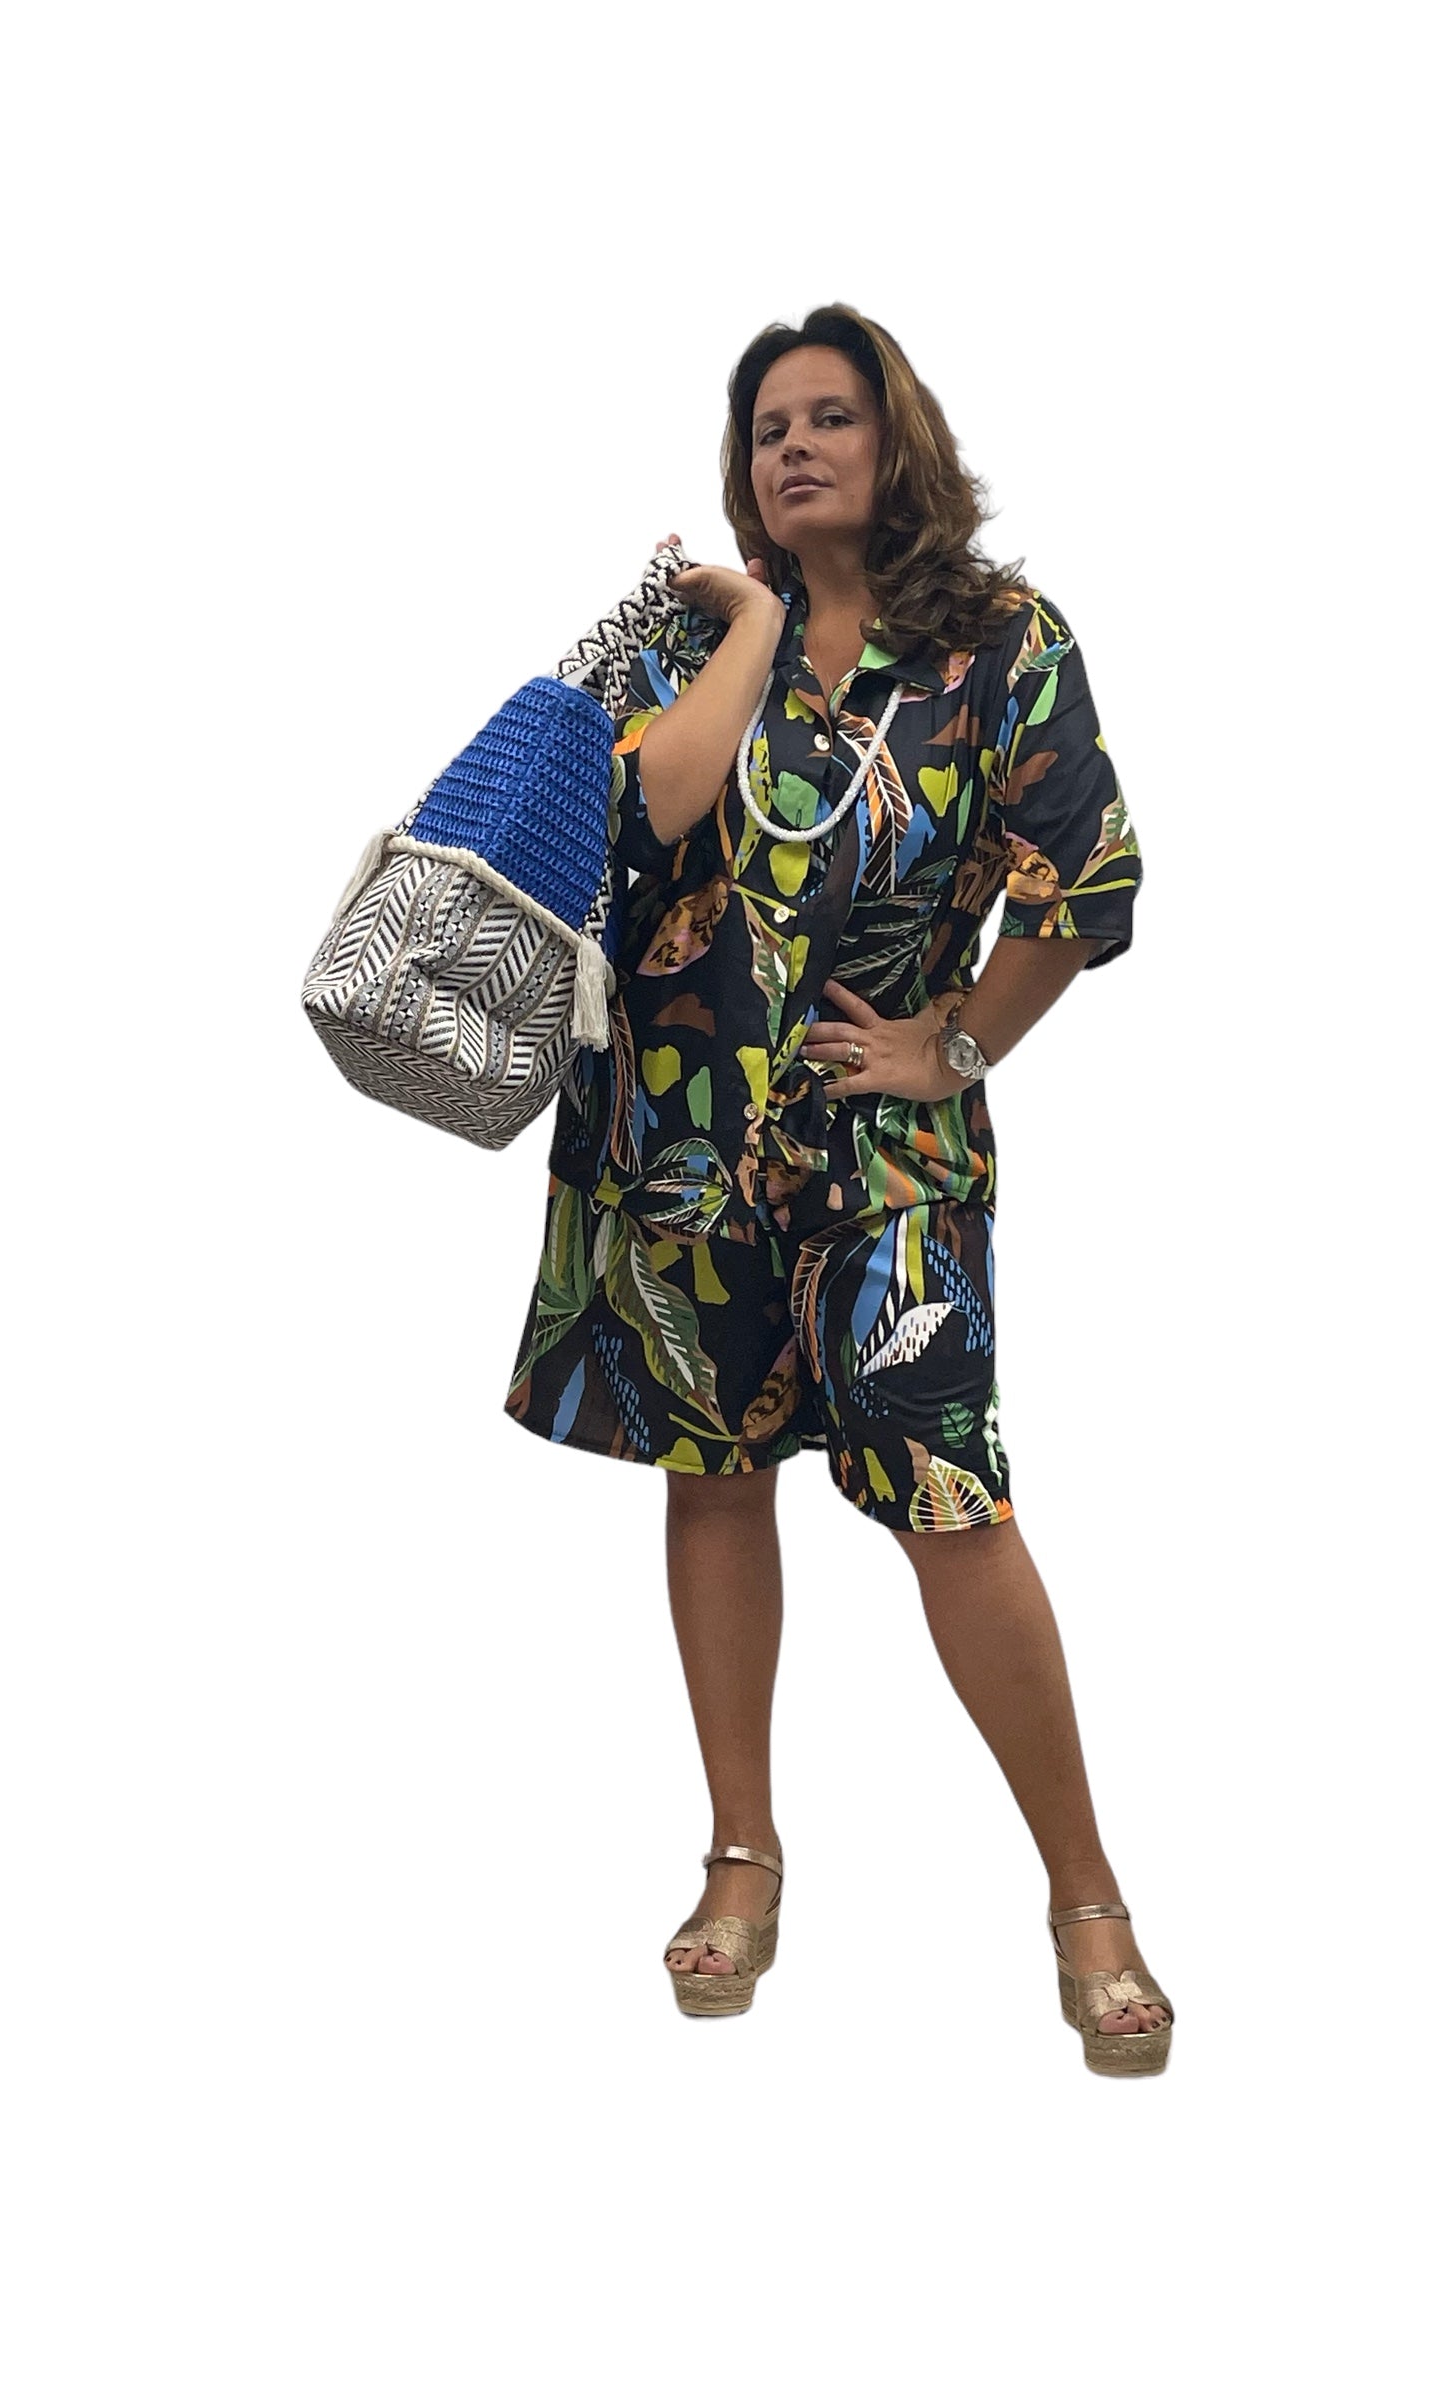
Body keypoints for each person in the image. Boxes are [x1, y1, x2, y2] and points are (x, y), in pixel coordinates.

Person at [504, 303, 1173, 2074]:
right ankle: (742, 1858)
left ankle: (1085, 1893)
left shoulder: (1003, 645)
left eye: (828, 418)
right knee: (713, 1478)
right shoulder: (690, 631)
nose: (793, 447)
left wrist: (953, 1047)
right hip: (672, 1132)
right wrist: (746, 624)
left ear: (895, 443)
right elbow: (647, 819)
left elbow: (1084, 879)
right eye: (765, 429)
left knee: (951, 1500)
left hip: (886, 1163)